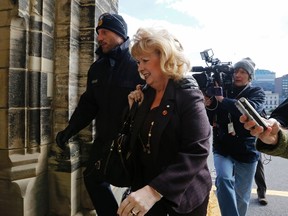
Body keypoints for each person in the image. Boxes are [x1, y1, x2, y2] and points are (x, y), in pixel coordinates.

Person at [55, 13, 144, 215]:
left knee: (137, 189)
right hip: (104, 140)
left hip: (134, 142)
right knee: (93, 177)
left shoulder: (137, 64)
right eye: (98, 33)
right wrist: (70, 130)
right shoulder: (97, 68)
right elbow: (89, 104)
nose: (99, 37)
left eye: (104, 32)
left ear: (119, 35)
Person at [117, 27, 212, 216]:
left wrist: (154, 190)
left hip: (181, 198)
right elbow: (136, 141)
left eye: (145, 60)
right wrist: (132, 109)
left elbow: (197, 150)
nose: (140, 68)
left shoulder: (188, 94)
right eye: (138, 62)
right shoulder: (145, 93)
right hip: (146, 192)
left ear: (165, 59)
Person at [204, 57, 266, 216]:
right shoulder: (223, 89)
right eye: (236, 71)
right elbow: (211, 119)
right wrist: (209, 105)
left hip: (247, 149)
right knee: (224, 180)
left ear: (250, 76)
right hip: (222, 146)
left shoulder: (256, 92)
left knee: (242, 195)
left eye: (243, 72)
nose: (238, 75)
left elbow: (249, 110)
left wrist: (222, 100)